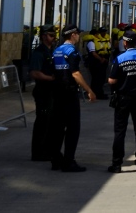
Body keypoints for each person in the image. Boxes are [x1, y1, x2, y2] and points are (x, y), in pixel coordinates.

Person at [47, 24, 95, 172]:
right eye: (77, 33)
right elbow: (75, 73)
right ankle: (69, 161)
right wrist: (89, 90)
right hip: (69, 92)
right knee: (73, 128)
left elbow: (53, 72)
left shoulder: (57, 50)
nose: (79, 36)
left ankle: (56, 159)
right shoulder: (72, 51)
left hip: (57, 91)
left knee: (58, 128)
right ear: (73, 35)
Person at [107, 30, 136, 174]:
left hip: (123, 97)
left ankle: (116, 164)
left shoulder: (120, 58)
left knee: (120, 130)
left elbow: (111, 80)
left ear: (125, 42)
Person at [28, 26, 56, 161]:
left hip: (51, 90)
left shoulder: (51, 51)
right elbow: (34, 72)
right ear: (44, 36)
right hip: (43, 90)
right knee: (42, 121)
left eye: (54, 35)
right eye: (51, 35)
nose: (53, 37)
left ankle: (46, 149)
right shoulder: (39, 53)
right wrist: (51, 78)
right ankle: (38, 152)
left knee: (50, 122)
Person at [84, 28, 110, 100]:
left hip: (102, 62)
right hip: (95, 63)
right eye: (97, 33)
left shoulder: (101, 41)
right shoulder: (91, 42)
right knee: (96, 79)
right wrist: (101, 59)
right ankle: (96, 93)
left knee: (101, 78)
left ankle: (99, 93)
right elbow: (93, 53)